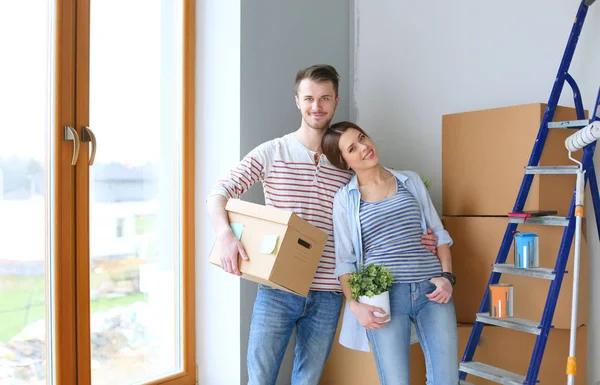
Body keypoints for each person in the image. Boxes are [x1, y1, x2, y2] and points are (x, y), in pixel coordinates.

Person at [206, 65, 439, 385]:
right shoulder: (273, 152)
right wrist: (225, 234)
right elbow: (218, 194)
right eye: (310, 98)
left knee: (309, 379)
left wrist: (421, 237)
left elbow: (382, 208)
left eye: (325, 98)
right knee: (260, 378)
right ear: (298, 102)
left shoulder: (347, 164)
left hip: (328, 293)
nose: (317, 106)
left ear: (336, 101)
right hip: (277, 288)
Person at [322, 121, 459, 385]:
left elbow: (439, 234)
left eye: (362, 138)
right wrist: (355, 305)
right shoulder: (346, 199)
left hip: (431, 291)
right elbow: (345, 260)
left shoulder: (410, 180)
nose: (364, 147)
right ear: (344, 162)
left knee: (446, 380)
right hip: (383, 298)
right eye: (353, 148)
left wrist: (447, 277)